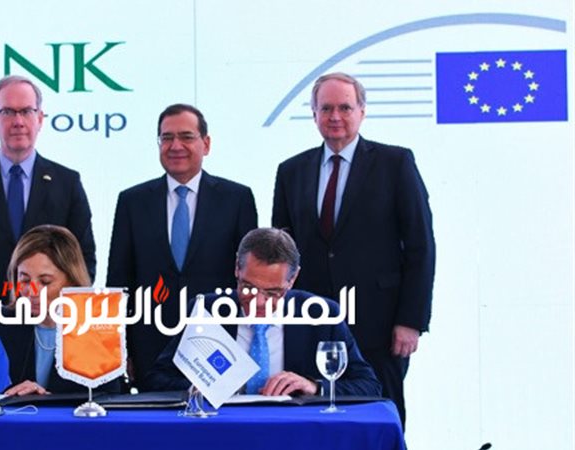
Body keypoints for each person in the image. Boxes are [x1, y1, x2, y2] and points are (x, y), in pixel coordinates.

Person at [271, 72, 435, 428]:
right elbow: (280, 255)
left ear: (362, 111)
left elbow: (421, 246)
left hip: (380, 325)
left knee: (379, 420)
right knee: (310, 422)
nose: (335, 116)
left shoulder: (395, 163)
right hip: (310, 324)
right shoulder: (291, 171)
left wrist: (411, 321)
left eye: (345, 107)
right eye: (326, 108)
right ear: (314, 113)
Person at [0, 75, 97, 355]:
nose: (18, 121)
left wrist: (51, 304)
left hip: (52, 331)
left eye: (26, 111)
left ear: (40, 118)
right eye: (8, 112)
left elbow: (83, 261)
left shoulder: (67, 182)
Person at [107, 103, 258, 390]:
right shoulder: (132, 201)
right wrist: (120, 348)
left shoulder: (237, 199)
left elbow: (248, 277)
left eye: (186, 137)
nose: (175, 146)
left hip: (219, 343)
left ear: (206, 144)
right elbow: (119, 281)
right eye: (167, 138)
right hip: (150, 346)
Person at [146, 228, 381, 398]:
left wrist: (315, 386)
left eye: (272, 292)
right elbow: (157, 379)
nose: (258, 302)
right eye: (248, 287)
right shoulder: (206, 311)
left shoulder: (321, 314)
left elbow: (369, 385)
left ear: (292, 279)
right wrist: (200, 388)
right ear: (237, 268)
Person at [0, 225, 118, 395]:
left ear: (71, 281)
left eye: (45, 282)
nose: (32, 292)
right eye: (24, 280)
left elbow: (108, 397)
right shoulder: (0, 321)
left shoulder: (96, 328)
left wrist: (48, 400)